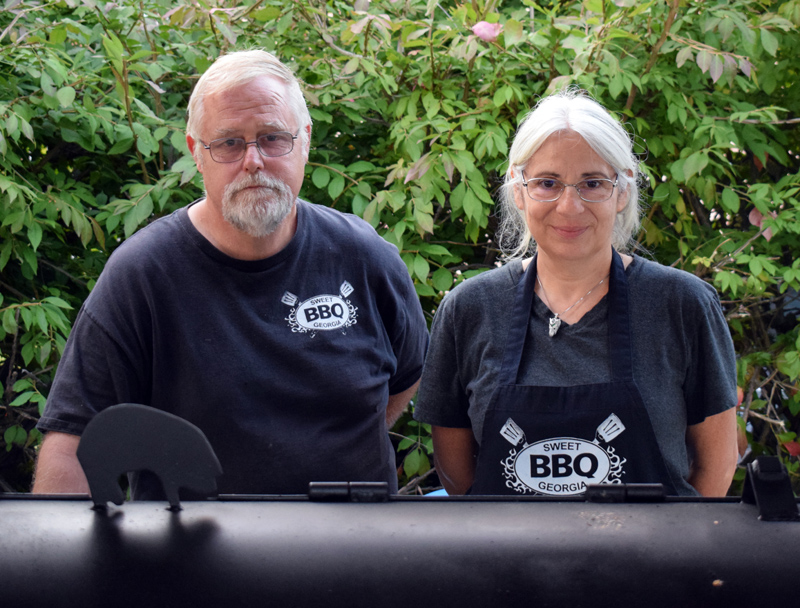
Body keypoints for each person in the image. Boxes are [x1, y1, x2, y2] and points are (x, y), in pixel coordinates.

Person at [33, 50, 428, 497]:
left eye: (273, 137)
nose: (253, 161)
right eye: (229, 143)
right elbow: (75, 439)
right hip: (192, 554)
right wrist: (60, 555)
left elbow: (408, 375)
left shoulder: (366, 258)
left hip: (358, 551)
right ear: (195, 153)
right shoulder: (142, 275)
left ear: (305, 141)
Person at [414, 90, 738, 497]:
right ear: (518, 190)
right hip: (508, 559)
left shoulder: (682, 304)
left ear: (622, 191)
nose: (569, 206)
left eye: (593, 183)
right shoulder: (470, 309)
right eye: (547, 183)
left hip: (648, 559)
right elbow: (457, 476)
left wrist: (669, 555)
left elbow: (717, 466)